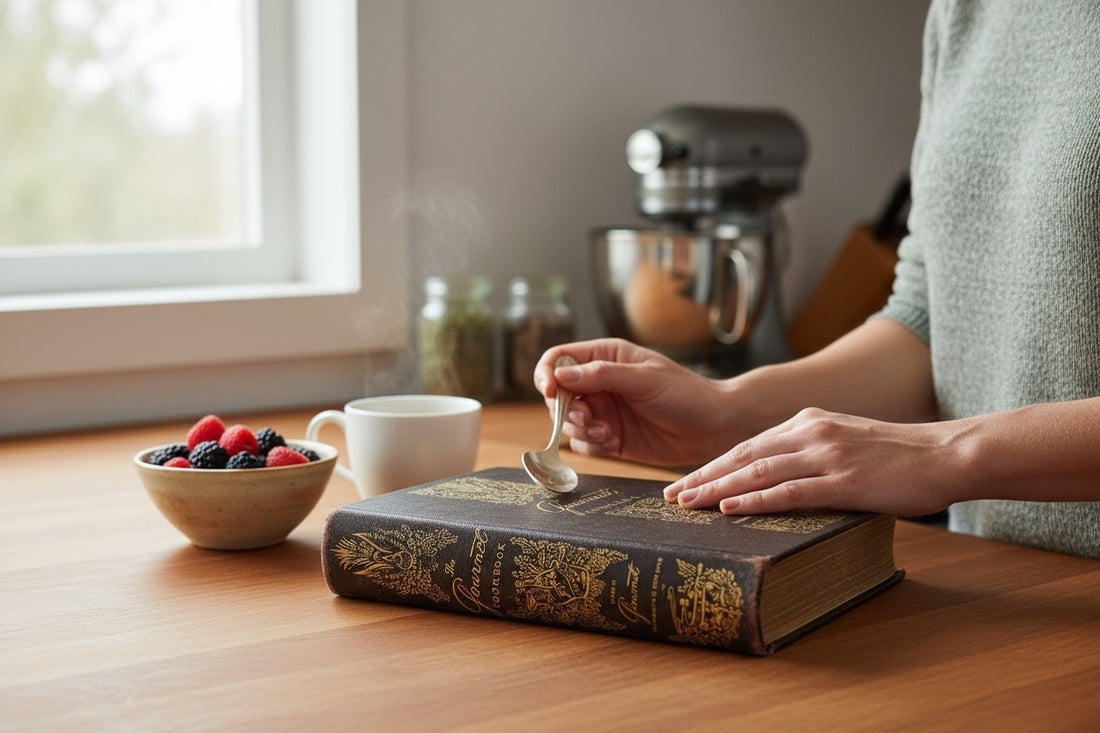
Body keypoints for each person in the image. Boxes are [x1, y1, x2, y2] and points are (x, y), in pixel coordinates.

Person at [533, 0, 1100, 560]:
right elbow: (933, 322)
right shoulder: (967, 12)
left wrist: (944, 456)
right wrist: (725, 412)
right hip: (1007, 582)